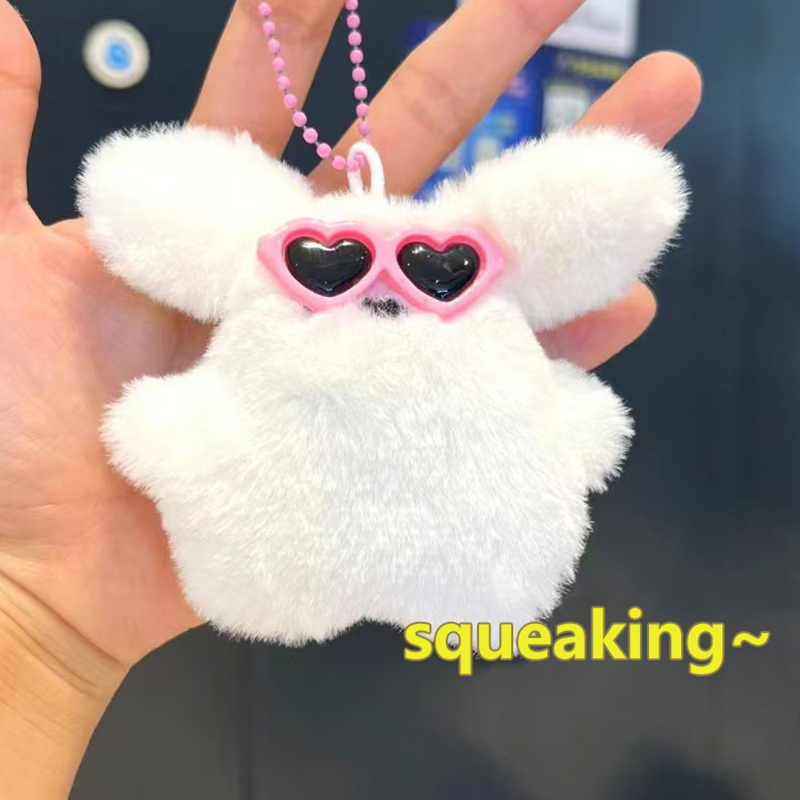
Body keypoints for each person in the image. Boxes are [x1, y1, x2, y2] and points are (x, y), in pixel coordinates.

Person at [0, 1, 702, 797]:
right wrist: (26, 608)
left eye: (444, 271)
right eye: (323, 268)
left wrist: (33, 626)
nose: (384, 287)